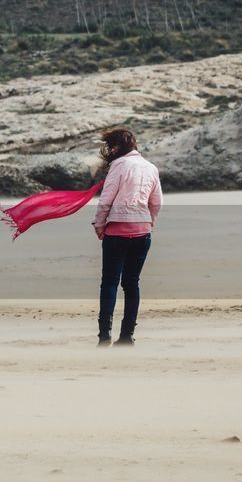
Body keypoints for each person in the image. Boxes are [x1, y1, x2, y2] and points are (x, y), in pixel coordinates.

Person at [91, 128, 162, 347]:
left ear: (116, 147)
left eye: (111, 146)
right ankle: (127, 335)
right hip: (142, 232)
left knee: (110, 282)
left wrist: (99, 224)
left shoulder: (118, 166)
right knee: (132, 283)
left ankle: (104, 336)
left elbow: (106, 199)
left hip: (117, 232)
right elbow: (156, 202)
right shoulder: (151, 168)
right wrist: (149, 223)